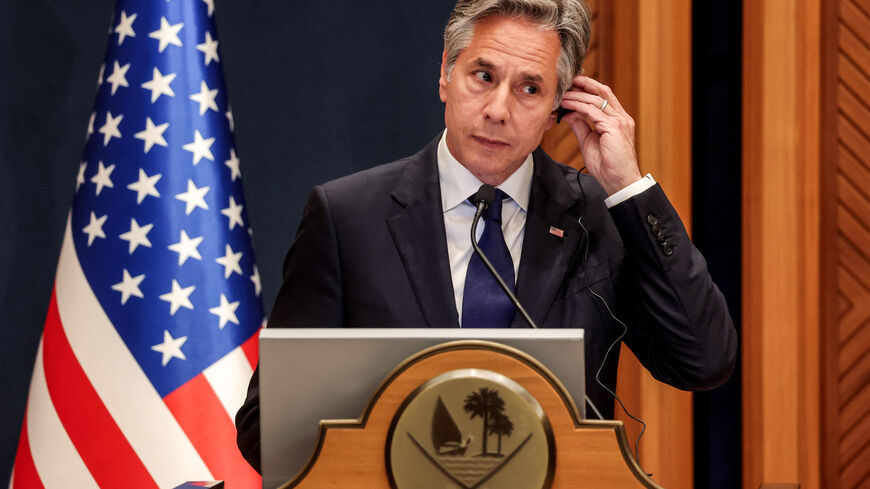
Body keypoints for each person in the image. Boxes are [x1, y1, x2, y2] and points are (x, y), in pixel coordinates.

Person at [236, 0, 737, 472]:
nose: (499, 109)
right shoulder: (348, 218)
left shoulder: (602, 219)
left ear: (559, 109)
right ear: (444, 76)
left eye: (529, 89)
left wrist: (629, 190)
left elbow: (703, 362)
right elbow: (267, 429)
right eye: (484, 76)